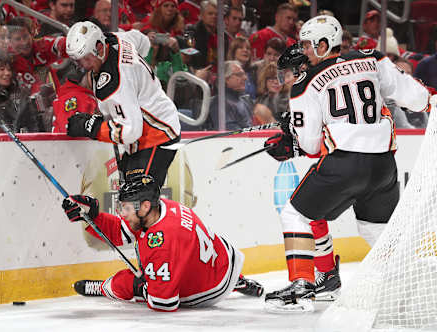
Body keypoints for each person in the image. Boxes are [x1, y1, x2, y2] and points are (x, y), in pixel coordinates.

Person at [263, 15, 432, 312]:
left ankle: (302, 285)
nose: (304, 50)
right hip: (383, 167)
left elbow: (311, 145)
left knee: (295, 214)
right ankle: (408, 284)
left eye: (307, 44)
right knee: (375, 231)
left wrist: (290, 143)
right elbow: (417, 99)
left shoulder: (307, 83)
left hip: (345, 165)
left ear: (325, 44)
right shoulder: (373, 58)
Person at [61, 174, 264, 311]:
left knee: (131, 281)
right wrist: (93, 217)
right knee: (178, 259)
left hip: (210, 288)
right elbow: (122, 231)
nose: (122, 213)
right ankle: (238, 280)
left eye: (126, 208)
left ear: (145, 206)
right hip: (222, 260)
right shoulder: (162, 207)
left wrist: (131, 286)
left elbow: (163, 302)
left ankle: (106, 287)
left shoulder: (162, 242)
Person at [65, 21, 181, 188]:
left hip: (157, 135)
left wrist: (91, 127)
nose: (84, 65)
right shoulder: (116, 39)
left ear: (98, 48)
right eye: (79, 61)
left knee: (138, 203)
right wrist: (137, 76)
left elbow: (130, 131)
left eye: (87, 58)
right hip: (151, 130)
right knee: (130, 201)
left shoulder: (116, 83)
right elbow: (143, 41)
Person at [206, 60, 253, 130]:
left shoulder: (244, 100)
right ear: (226, 79)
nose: (245, 78)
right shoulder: (220, 103)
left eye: (244, 74)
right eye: (239, 75)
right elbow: (230, 133)